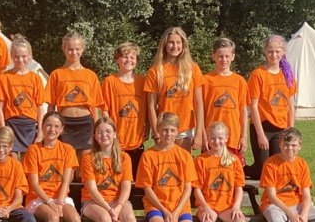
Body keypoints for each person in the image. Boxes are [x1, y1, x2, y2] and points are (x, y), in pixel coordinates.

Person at [80, 117, 144, 222]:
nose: (104, 135)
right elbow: (92, 189)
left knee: (129, 217)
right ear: (95, 136)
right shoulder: (88, 158)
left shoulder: (124, 158)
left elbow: (126, 187)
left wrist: (118, 206)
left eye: (108, 131)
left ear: (114, 134)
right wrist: (109, 210)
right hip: (93, 201)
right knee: (104, 219)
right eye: (100, 132)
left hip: (117, 201)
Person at [136, 112, 197, 222]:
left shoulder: (184, 155)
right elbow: (147, 188)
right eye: (164, 130)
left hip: (179, 205)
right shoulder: (148, 155)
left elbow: (188, 188)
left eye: (172, 130)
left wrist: (175, 212)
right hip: (156, 205)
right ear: (158, 130)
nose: (168, 134)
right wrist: (164, 211)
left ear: (177, 132)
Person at [26, 113, 85, 222]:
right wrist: (50, 202)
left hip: (60, 197)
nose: (52, 129)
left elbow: (66, 180)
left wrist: (59, 202)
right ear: (42, 127)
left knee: (75, 219)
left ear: (62, 130)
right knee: (53, 218)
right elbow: (34, 184)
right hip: (38, 198)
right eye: (49, 125)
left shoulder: (67, 149)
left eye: (56, 126)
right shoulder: (34, 150)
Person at [193, 122, 248, 222]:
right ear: (208, 139)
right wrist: (205, 207)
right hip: (207, 205)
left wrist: (236, 206)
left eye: (220, 138)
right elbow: (196, 188)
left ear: (226, 138)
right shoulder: (202, 160)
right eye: (213, 138)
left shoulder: (233, 160)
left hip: (227, 206)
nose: (216, 142)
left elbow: (239, 187)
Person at [145, 26, 205, 152]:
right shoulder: (155, 71)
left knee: (183, 163)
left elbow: (199, 103)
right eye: (171, 42)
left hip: (185, 127)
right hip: (164, 129)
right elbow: (151, 106)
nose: (175, 46)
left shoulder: (193, 68)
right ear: (165, 44)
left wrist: (199, 132)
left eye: (178, 42)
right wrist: (156, 133)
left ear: (183, 45)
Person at [47, 32, 104, 161]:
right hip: (64, 123)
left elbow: (94, 106)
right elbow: (51, 105)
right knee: (67, 163)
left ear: (82, 49)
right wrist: (49, 125)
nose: (74, 52)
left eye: (77, 49)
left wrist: (97, 128)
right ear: (64, 49)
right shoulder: (56, 74)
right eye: (70, 49)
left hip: (85, 123)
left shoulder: (90, 75)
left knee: (85, 163)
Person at [248, 35, 298, 179]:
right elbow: (253, 106)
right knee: (262, 171)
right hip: (262, 126)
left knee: (278, 168)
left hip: (280, 129)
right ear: (265, 51)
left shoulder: (287, 75)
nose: (273, 55)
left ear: (283, 52)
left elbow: (290, 106)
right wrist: (260, 134)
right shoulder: (258, 74)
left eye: (277, 51)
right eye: (270, 51)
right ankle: (241, 170)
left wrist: (290, 130)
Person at [0, 35, 47, 158]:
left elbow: (40, 108)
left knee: (27, 161)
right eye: (16, 56)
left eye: (24, 56)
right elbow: (0, 107)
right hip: (11, 124)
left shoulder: (35, 79)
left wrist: (40, 132)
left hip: (29, 125)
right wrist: (3, 129)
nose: (20, 60)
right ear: (12, 56)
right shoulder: (5, 77)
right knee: (12, 160)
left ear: (29, 56)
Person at [102, 42, 148, 175]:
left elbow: (148, 107)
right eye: (124, 57)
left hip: (136, 139)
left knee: (136, 177)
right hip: (117, 140)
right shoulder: (110, 81)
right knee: (116, 176)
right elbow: (105, 110)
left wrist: (148, 127)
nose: (129, 60)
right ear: (117, 60)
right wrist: (109, 132)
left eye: (132, 57)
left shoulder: (143, 81)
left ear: (137, 60)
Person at [203, 37, 250, 164]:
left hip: (233, 137)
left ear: (233, 57)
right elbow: (201, 111)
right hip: (212, 137)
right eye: (220, 56)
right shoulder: (206, 80)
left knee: (233, 171)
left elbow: (243, 111)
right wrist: (203, 135)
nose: (223, 59)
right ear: (213, 56)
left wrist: (243, 136)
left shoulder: (239, 81)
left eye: (227, 56)